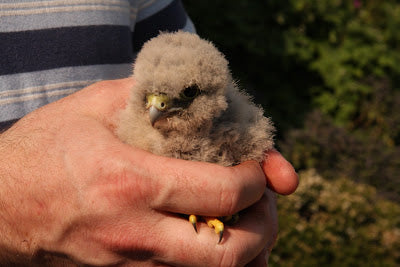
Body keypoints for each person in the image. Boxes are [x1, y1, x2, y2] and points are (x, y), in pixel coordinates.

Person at [0, 1, 298, 266]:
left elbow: (187, 59)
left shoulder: (223, 111)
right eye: (152, 98)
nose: (155, 108)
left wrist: (235, 205)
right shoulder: (141, 122)